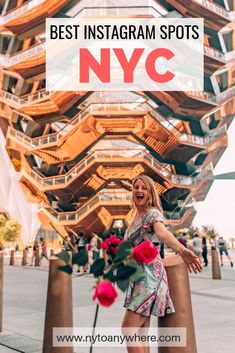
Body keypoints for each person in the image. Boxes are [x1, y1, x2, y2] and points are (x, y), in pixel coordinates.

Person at [122, 175, 202, 353]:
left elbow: (162, 234)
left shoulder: (153, 213)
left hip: (149, 275)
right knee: (141, 332)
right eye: (136, 187)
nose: (139, 191)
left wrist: (182, 251)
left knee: (129, 329)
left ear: (150, 193)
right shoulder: (135, 218)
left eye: (144, 188)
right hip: (137, 276)